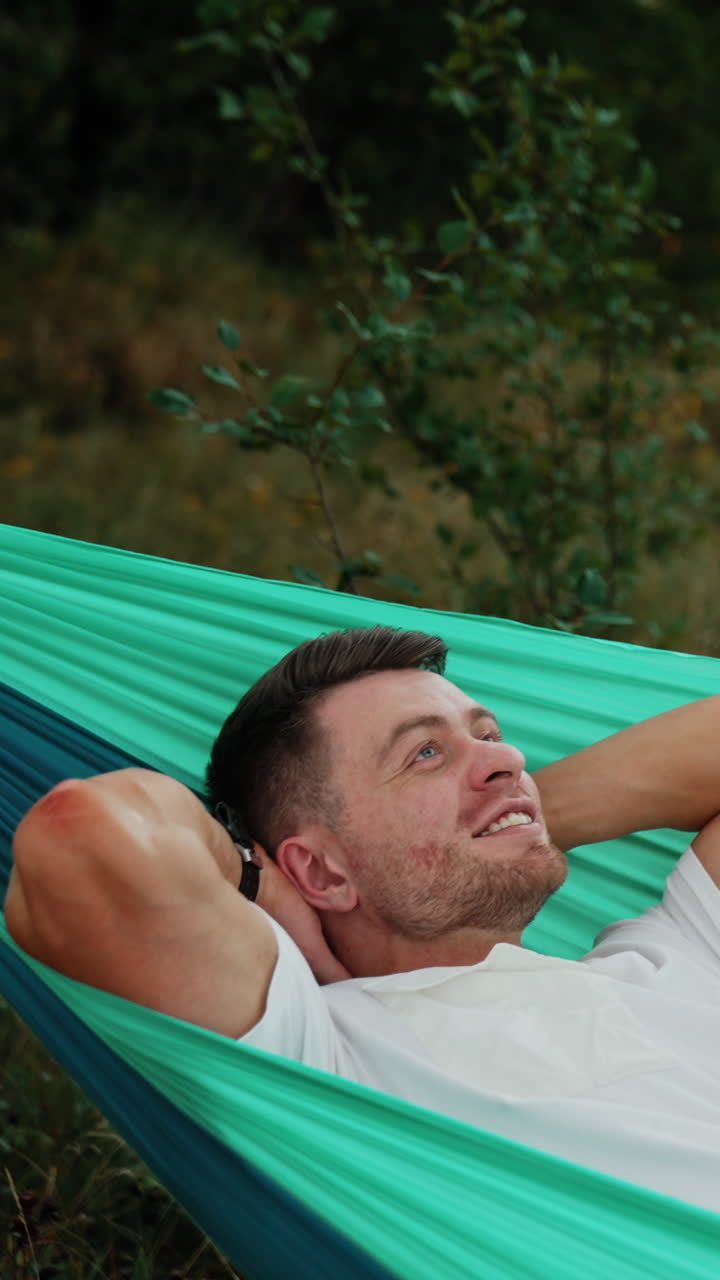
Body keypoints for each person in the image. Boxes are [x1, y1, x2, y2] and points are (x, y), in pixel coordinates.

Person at [6, 625, 720, 1212]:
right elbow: (84, 838)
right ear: (319, 870)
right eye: (426, 753)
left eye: (490, 733)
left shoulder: (672, 956)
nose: (507, 757)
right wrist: (261, 881)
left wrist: (510, 820)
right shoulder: (321, 1049)